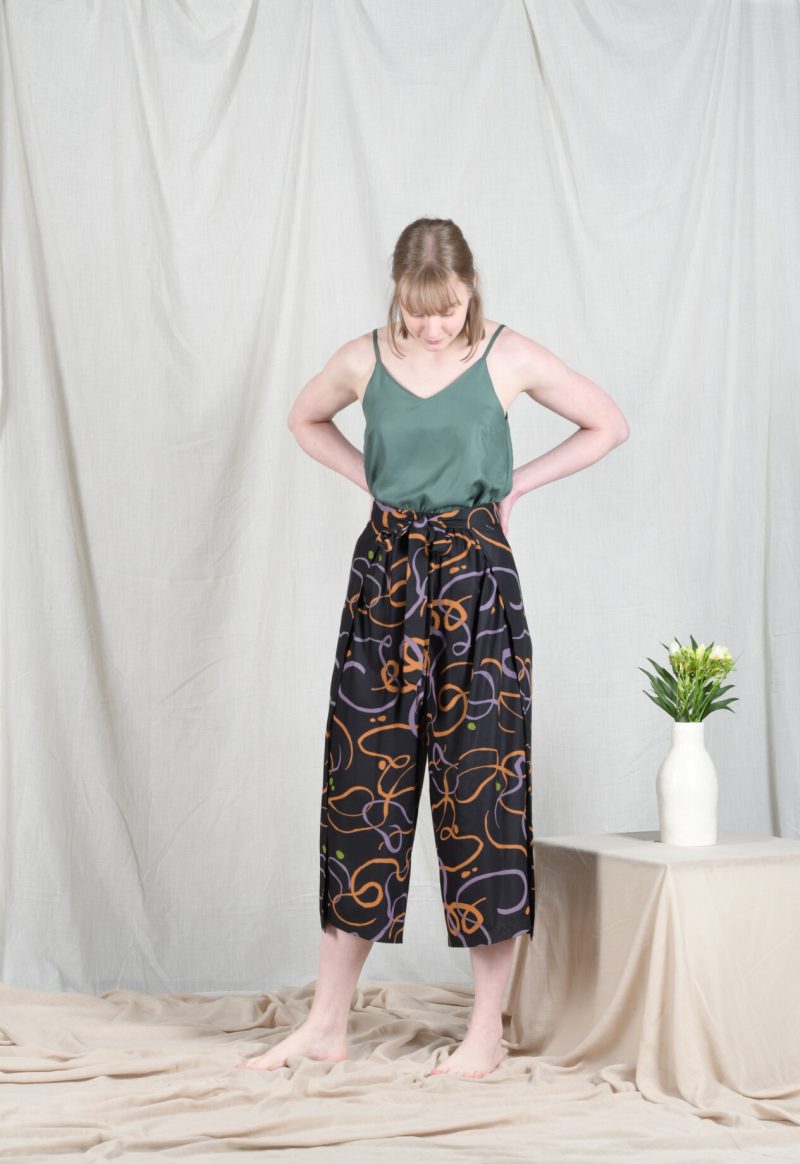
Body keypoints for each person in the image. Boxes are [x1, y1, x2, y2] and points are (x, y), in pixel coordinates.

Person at [238, 217, 630, 1079]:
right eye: (418, 310)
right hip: (384, 582)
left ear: (469, 291)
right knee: (359, 795)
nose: (432, 326)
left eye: (447, 308)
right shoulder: (363, 357)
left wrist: (515, 488)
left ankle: (485, 1033)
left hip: (478, 586)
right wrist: (372, 481)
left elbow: (607, 423)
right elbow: (305, 419)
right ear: (397, 296)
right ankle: (327, 1025)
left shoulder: (508, 355)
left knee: (482, 798)